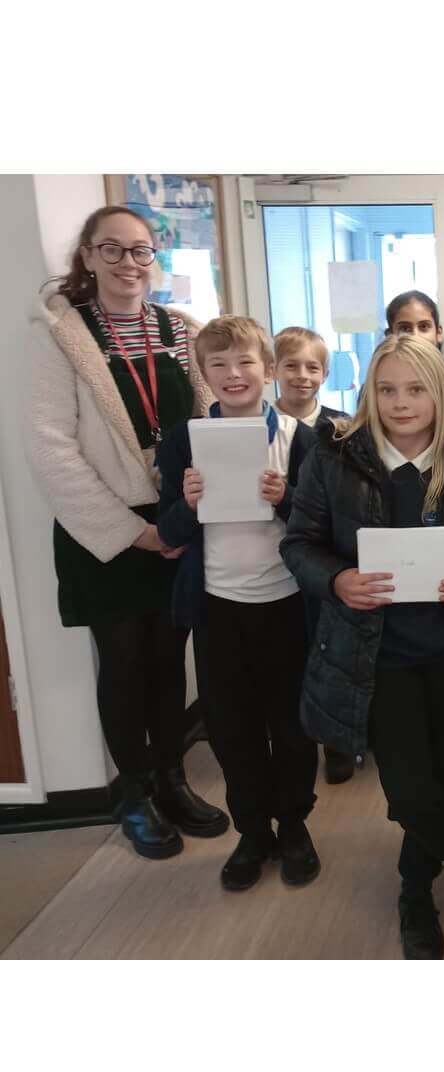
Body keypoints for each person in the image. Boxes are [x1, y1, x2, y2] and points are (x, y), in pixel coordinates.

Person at [280, 334, 444, 960]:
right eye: (387, 390)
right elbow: (298, 544)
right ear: (369, 394)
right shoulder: (335, 459)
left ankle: (419, 882)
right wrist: (336, 580)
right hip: (375, 659)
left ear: (440, 393)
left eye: (414, 389)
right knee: (411, 791)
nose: (401, 403)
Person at [25, 205, 227, 860]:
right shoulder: (61, 336)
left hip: (177, 521)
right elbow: (52, 452)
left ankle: (171, 779)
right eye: (112, 250)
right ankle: (133, 793)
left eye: (140, 251)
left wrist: (190, 514)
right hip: (106, 533)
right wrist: (129, 532)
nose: (128, 264)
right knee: (124, 663)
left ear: (155, 260)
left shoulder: (181, 330)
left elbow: (210, 423)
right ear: (87, 257)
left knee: (171, 662)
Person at [157, 316, 319, 891]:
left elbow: (322, 528)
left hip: (287, 606)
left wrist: (285, 499)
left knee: (293, 726)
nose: (233, 374)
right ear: (204, 375)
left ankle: (295, 827)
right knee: (232, 730)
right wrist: (189, 501)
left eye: (245, 362)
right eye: (218, 365)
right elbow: (169, 532)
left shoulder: (299, 438)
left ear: (269, 370)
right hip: (217, 608)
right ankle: (254, 833)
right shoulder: (185, 438)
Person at [272, 325, 356, 785]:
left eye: (312, 367)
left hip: (329, 557)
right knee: (297, 654)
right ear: (274, 370)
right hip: (275, 564)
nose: (302, 376)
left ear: (325, 373)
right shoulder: (259, 426)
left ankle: (338, 742)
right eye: (292, 366)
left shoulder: (343, 427)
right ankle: (306, 735)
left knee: (334, 649)